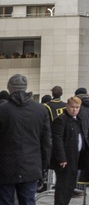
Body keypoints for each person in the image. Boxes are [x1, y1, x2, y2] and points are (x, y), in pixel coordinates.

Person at [0, 74, 52, 205]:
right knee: (28, 200)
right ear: (25, 87)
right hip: (32, 165)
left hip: (5, 166)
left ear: (9, 89)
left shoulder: (3, 110)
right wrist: (44, 166)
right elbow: (46, 142)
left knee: (5, 200)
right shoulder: (41, 110)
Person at [51, 96, 87, 205]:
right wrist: (61, 158)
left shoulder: (78, 119)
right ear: (67, 106)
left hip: (76, 156)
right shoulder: (61, 119)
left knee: (70, 185)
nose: (75, 109)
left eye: (77, 107)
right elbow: (57, 139)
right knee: (63, 186)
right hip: (66, 158)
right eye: (72, 107)